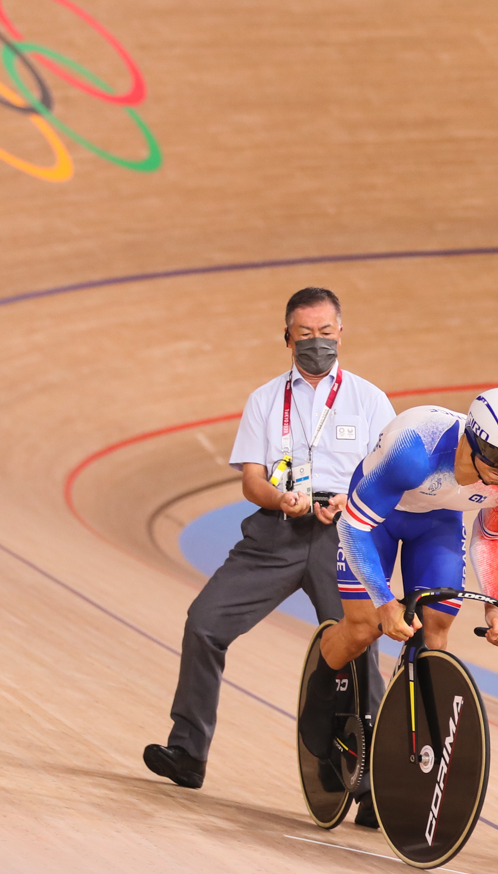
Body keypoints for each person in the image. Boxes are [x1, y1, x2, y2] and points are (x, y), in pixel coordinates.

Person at [144, 287, 394, 795]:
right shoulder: (264, 400)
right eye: (305, 334)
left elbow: (386, 474)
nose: (316, 342)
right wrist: (281, 501)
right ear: (287, 338)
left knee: (361, 644)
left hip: (344, 537)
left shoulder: (369, 400)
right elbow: (252, 480)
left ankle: (376, 781)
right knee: (204, 623)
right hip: (276, 533)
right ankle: (188, 752)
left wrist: (349, 503)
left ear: (341, 333)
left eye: (325, 333)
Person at [300, 388, 498, 760]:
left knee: (438, 621)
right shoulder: (415, 453)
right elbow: (351, 528)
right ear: (472, 437)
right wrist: (383, 601)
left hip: (436, 522)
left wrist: (493, 603)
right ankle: (319, 689)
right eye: (496, 456)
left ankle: (400, 728)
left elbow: (490, 538)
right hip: (377, 515)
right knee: (364, 626)